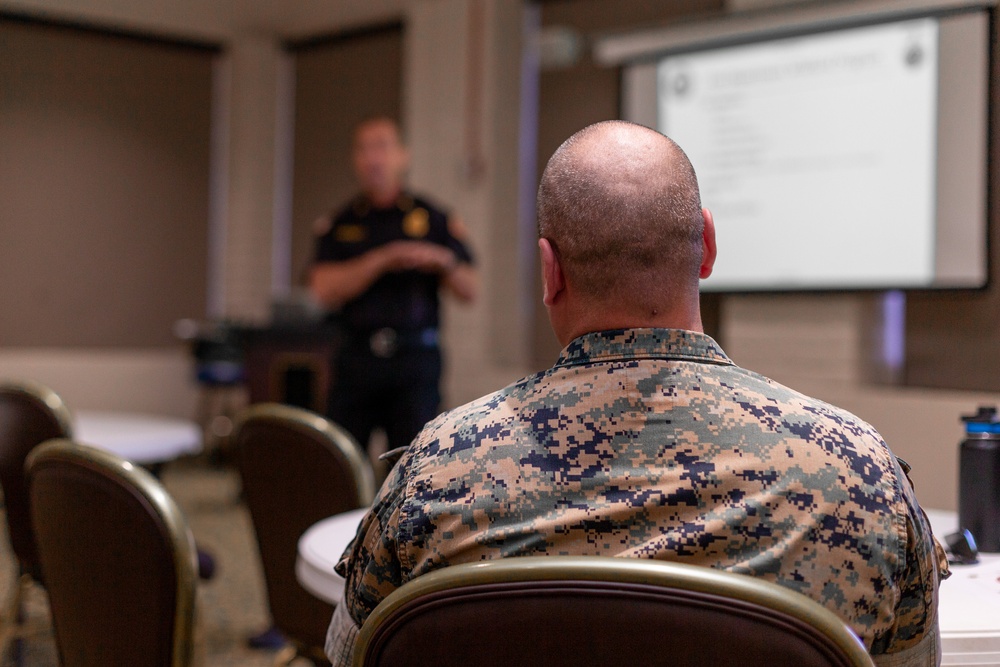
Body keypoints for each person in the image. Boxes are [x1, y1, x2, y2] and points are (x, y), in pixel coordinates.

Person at [325, 121, 947, 666]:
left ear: (550, 270)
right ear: (706, 246)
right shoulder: (857, 470)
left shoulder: (440, 466)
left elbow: (355, 653)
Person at [309, 116, 478, 466]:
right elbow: (322, 288)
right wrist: (384, 259)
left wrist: (440, 261)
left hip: (414, 361)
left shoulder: (432, 218)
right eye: (364, 149)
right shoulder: (342, 223)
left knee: (415, 467)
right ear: (355, 160)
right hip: (356, 359)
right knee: (341, 461)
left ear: (403, 156)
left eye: (382, 147)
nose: (373, 158)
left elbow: (469, 290)